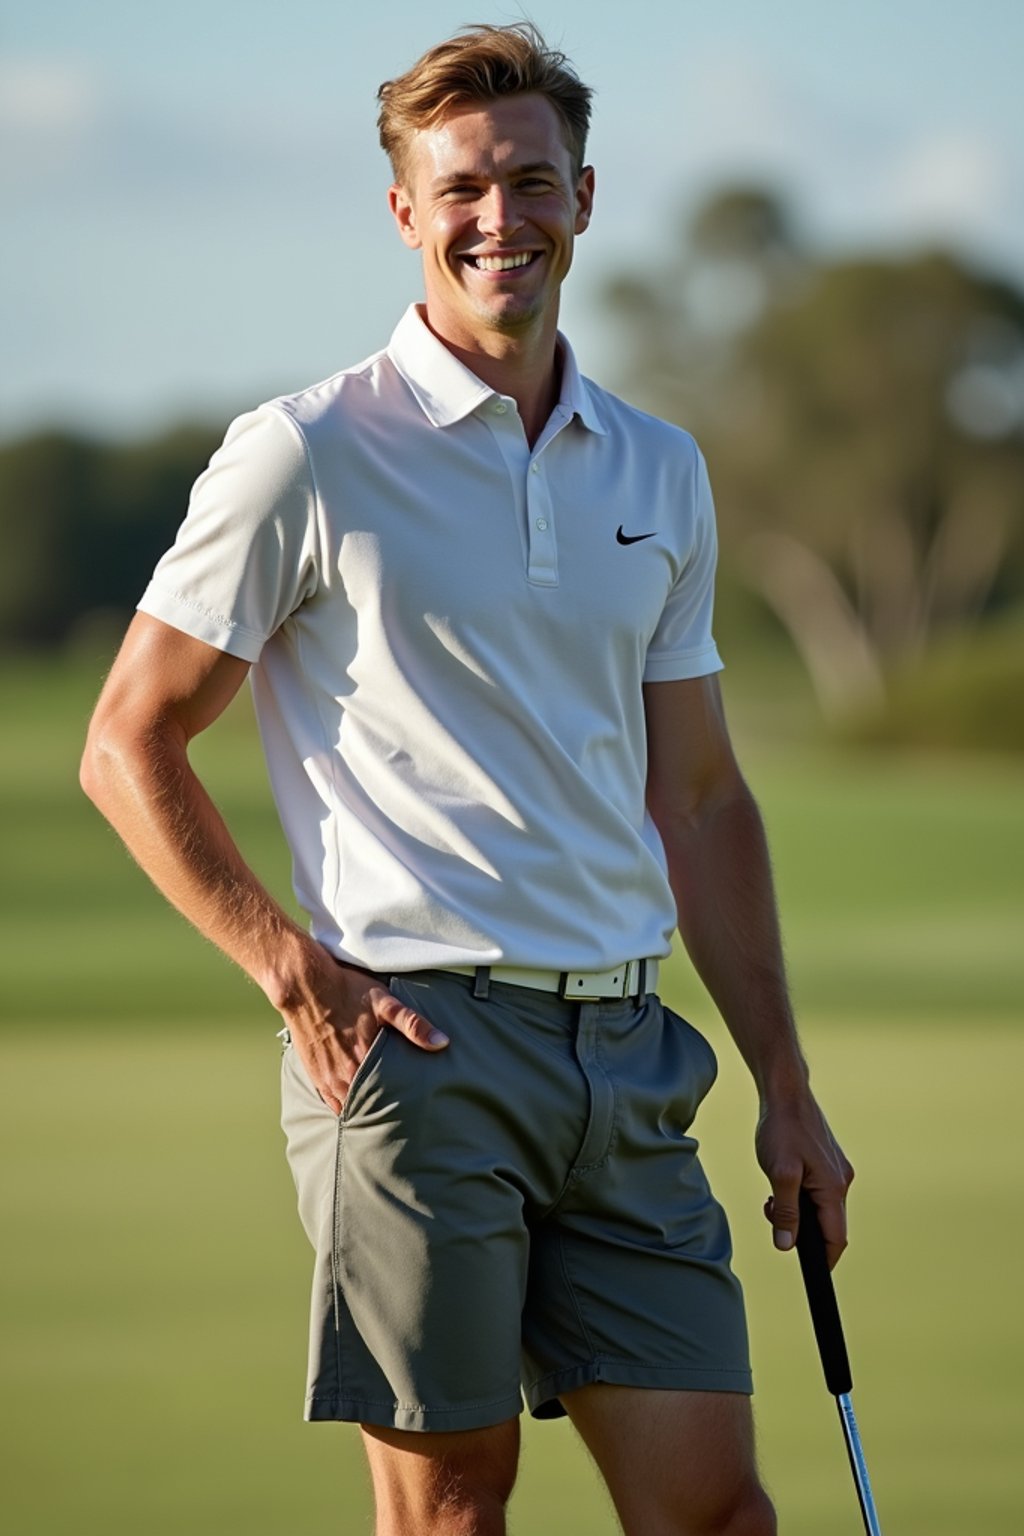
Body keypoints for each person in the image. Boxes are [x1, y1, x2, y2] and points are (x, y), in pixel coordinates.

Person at [81, 23, 853, 1536]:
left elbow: (699, 800)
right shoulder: (302, 453)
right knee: (453, 1518)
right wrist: (286, 966)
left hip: (630, 1059)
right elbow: (128, 739)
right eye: (464, 187)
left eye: (532, 182)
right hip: (422, 1049)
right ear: (403, 212)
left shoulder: (657, 467)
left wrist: (789, 1086)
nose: (500, 215)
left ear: (584, 199)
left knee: (719, 1516)